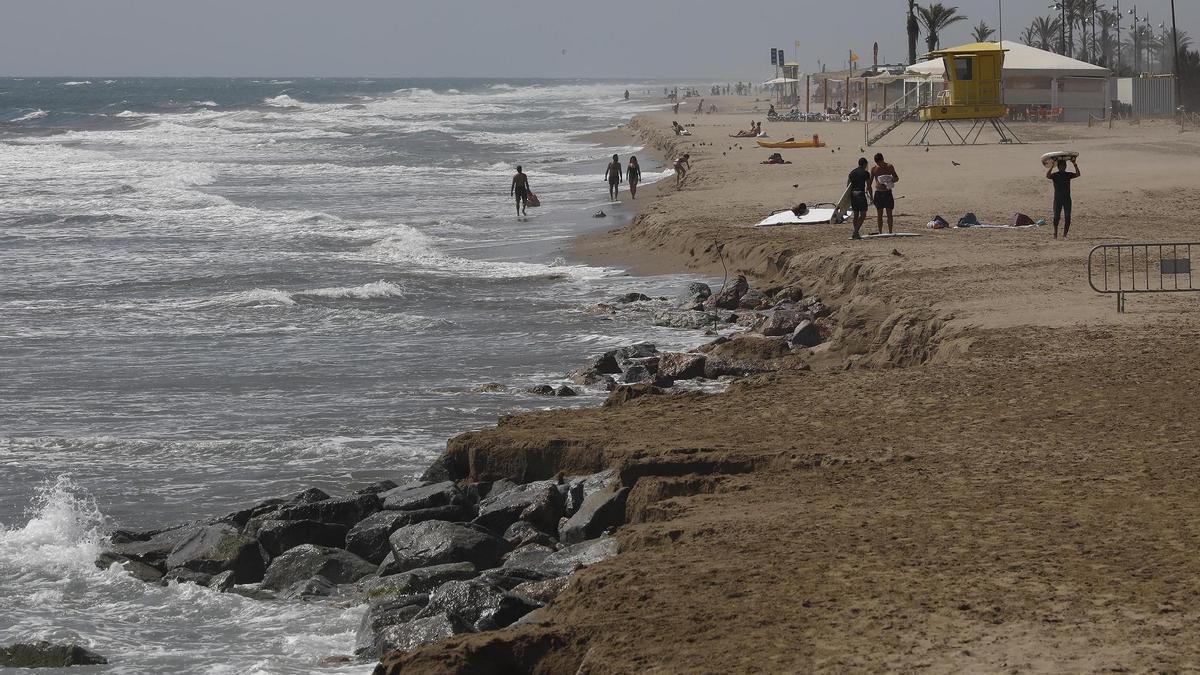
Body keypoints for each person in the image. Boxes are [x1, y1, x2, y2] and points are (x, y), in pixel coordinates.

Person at [1047, 157, 1081, 239]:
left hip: (1067, 199)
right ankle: (1055, 233)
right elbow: (1048, 176)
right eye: (1061, 166)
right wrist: (1052, 166)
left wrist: (1074, 163)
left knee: (1067, 217)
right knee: (1056, 217)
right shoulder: (1055, 175)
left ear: (1065, 166)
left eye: (1064, 166)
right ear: (1058, 167)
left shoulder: (1067, 175)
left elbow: (1078, 174)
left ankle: (1065, 235)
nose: (1063, 167)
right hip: (1057, 199)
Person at [870, 152, 899, 234]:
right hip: (878, 193)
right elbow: (869, 183)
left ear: (883, 160)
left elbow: (896, 178)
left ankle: (890, 231)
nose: (880, 164)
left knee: (889, 213)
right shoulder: (874, 169)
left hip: (887, 192)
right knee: (879, 214)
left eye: (880, 162)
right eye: (878, 163)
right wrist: (871, 196)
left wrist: (890, 179)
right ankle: (880, 232)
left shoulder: (889, 167)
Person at [847, 158, 873, 240]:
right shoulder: (866, 173)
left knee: (856, 215)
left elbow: (848, 186)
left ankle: (856, 233)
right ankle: (855, 232)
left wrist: (849, 197)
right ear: (865, 164)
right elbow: (869, 186)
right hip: (860, 194)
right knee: (863, 214)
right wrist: (871, 197)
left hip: (853, 194)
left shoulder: (852, 172)